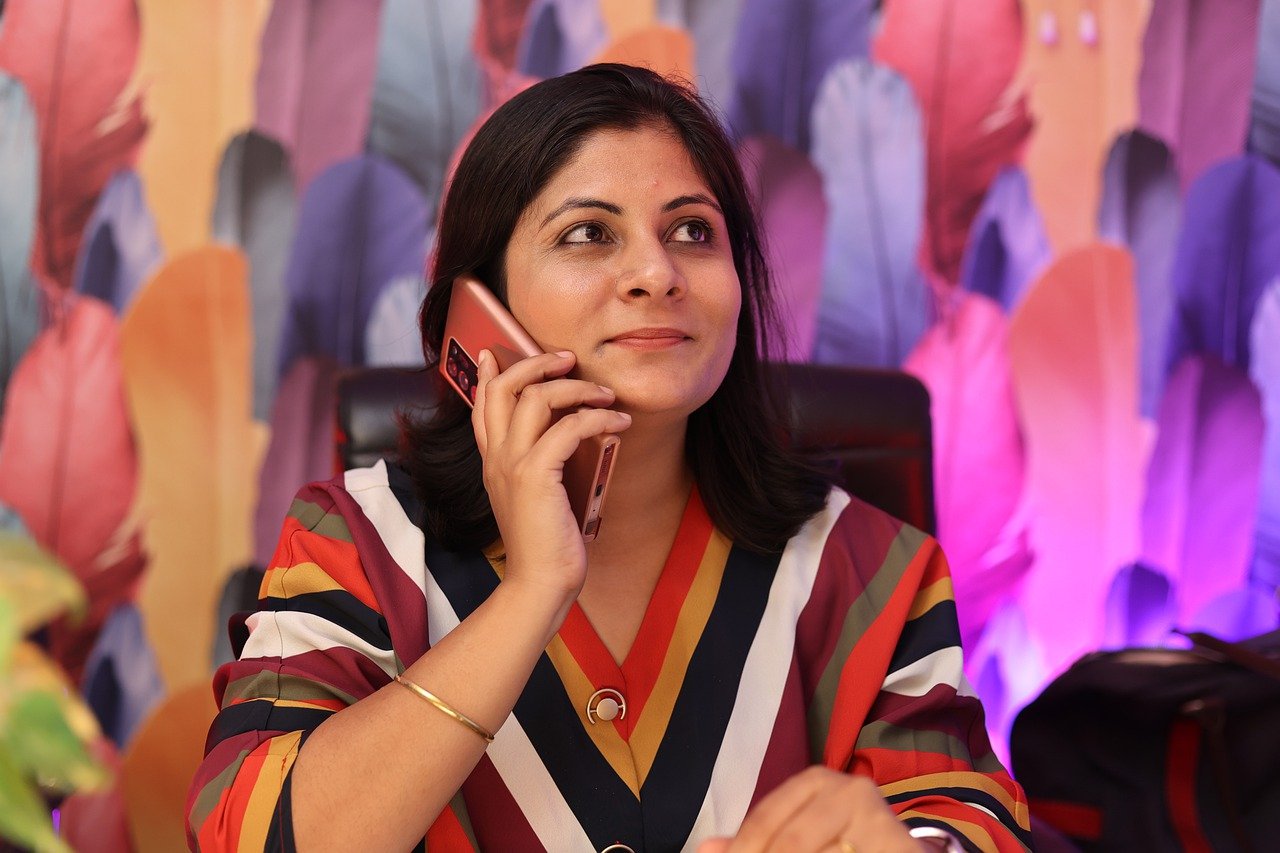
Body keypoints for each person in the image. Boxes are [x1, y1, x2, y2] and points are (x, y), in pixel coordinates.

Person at [186, 64, 1032, 852]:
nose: (656, 274)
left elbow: (970, 820)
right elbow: (250, 832)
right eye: (589, 233)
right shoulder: (357, 540)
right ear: (479, 302)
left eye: (693, 231)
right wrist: (533, 592)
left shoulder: (871, 566)